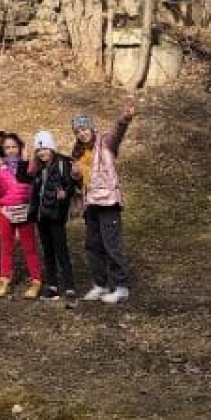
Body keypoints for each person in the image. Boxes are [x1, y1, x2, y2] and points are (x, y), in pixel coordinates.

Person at [71, 100, 137, 304]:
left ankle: (121, 287)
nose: (82, 133)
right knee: (92, 246)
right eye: (78, 131)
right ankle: (100, 285)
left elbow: (117, 132)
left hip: (108, 202)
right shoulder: (78, 154)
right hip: (91, 205)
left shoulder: (106, 143)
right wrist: (75, 177)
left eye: (85, 128)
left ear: (91, 128)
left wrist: (124, 118)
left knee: (111, 245)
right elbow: (83, 181)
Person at [0, 131, 43, 299]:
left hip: (24, 211)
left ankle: (36, 280)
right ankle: (4, 279)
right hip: (5, 211)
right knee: (6, 246)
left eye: (14, 147)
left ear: (20, 148)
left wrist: (26, 159)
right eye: (7, 147)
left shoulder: (29, 165)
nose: (11, 150)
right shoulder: (0, 168)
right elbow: (0, 191)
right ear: (2, 150)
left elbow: (29, 184)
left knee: (29, 247)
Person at [27, 130, 79, 308]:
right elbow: (32, 188)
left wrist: (66, 193)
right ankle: (52, 286)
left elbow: (71, 185)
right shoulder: (38, 168)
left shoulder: (63, 164)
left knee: (61, 251)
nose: (42, 153)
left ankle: (70, 288)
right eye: (39, 150)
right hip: (41, 217)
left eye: (45, 149)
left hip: (56, 215)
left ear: (52, 148)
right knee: (48, 251)